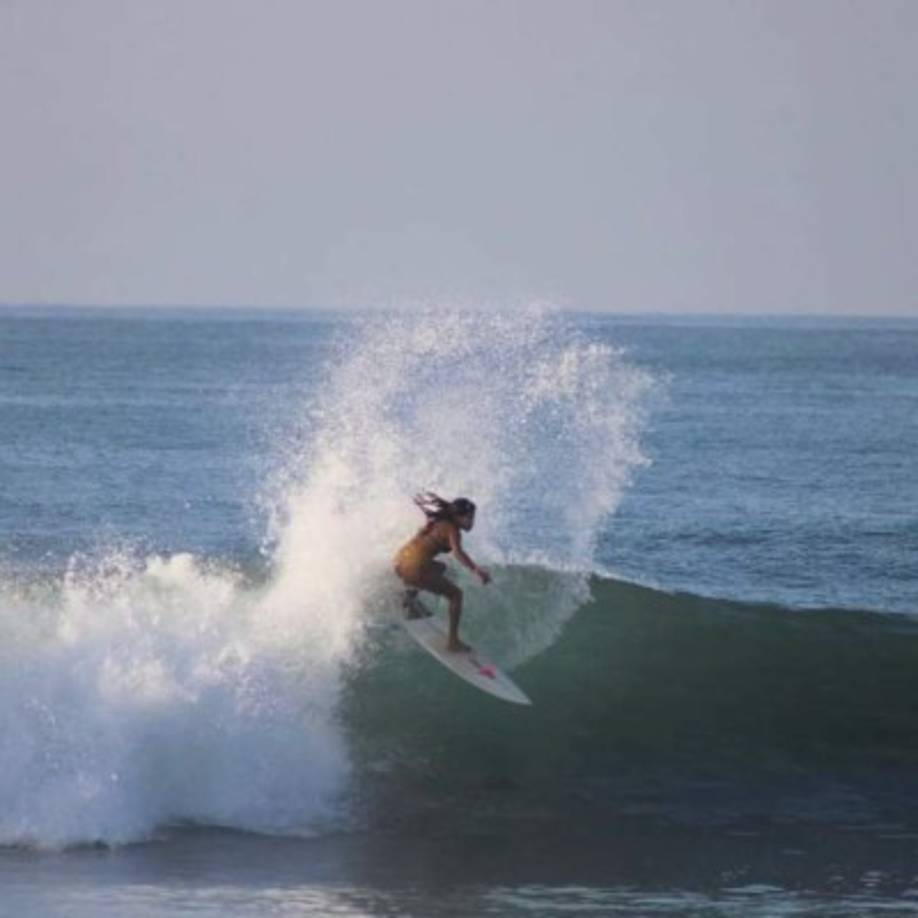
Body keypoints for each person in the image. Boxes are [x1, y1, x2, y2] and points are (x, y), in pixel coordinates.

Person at [394, 491, 491, 652]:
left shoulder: (438, 521)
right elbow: (458, 553)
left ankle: (408, 598)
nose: (471, 522)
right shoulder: (453, 530)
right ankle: (453, 642)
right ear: (458, 517)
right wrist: (476, 570)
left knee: (441, 568)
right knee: (456, 595)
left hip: (400, 561)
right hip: (412, 568)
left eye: (473, 517)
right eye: (468, 518)